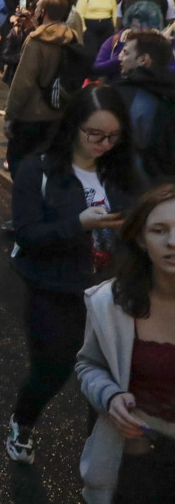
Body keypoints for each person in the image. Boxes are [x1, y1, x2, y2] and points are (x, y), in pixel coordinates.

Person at [5, 85, 134, 466]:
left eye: (112, 136)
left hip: (110, 291)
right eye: (94, 133)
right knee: (54, 368)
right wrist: (77, 223)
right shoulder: (37, 170)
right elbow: (28, 234)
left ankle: (100, 450)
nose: (103, 143)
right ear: (73, 126)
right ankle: (22, 421)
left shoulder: (118, 171)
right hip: (54, 289)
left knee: (112, 373)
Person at [76, 184, 175, 503]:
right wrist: (111, 395)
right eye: (159, 230)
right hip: (132, 463)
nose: (173, 242)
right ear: (141, 240)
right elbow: (88, 365)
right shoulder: (110, 303)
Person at [3, 0, 81, 180]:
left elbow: (24, 82)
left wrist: (10, 114)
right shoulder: (72, 36)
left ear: (43, 12)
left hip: (31, 114)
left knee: (21, 167)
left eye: (37, 7)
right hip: (60, 111)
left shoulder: (35, 40)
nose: (34, 10)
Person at [115, 30, 175, 188]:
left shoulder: (127, 94)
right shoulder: (169, 91)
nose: (120, 57)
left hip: (136, 187)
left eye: (126, 52)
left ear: (143, 60)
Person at [75, 0, 118, 64]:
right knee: (91, 51)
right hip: (90, 26)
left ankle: (101, 71)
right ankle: (91, 73)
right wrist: (84, 29)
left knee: (105, 50)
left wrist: (114, 27)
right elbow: (79, 14)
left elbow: (115, 13)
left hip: (106, 26)